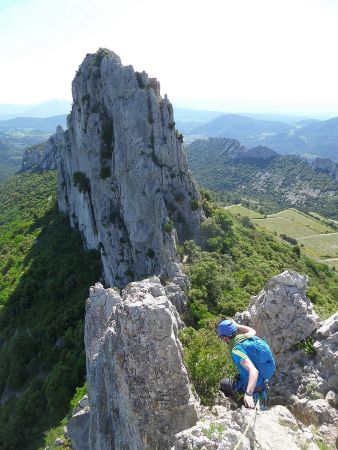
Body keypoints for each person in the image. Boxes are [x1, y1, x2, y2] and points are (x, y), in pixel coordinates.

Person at [217, 318, 275, 409]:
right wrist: (236, 325)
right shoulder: (247, 337)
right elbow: (252, 330)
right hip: (262, 388)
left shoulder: (236, 349)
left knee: (223, 384)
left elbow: (254, 371)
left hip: (252, 393)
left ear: (225, 338)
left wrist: (248, 394)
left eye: (221, 338)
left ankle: (243, 404)